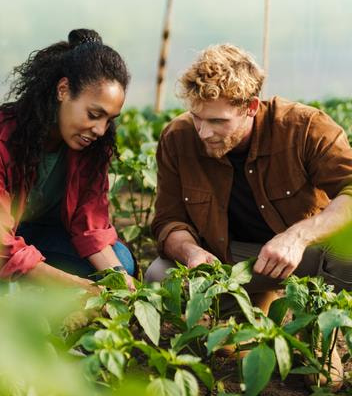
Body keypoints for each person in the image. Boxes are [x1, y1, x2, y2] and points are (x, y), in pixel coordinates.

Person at [146, 43, 352, 297]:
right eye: (197, 117)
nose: (204, 132)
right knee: (159, 274)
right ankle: (244, 316)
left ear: (251, 107)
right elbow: (169, 219)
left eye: (218, 121)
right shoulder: (178, 138)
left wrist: (297, 236)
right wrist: (191, 251)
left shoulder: (304, 128)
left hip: (305, 255)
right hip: (232, 258)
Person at [0, 29, 136, 292]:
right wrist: (77, 286)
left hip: (46, 239)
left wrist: (120, 278)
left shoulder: (92, 147)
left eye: (109, 119)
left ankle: (40, 286)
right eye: (93, 114)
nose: (99, 129)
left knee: (121, 262)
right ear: (63, 90)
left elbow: (90, 225)